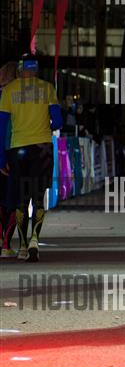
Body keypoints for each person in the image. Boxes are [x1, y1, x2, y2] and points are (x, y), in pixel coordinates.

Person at [0, 54, 63, 262]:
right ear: (36, 69)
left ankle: (22, 247)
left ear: (20, 69)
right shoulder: (47, 88)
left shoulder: (9, 90)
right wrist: (47, 125)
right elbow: (58, 121)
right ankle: (35, 238)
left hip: (18, 148)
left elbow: (2, 126)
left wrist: (1, 158)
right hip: (42, 148)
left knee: (20, 198)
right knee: (38, 196)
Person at [0, 61, 18, 258]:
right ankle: (6, 244)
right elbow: (6, 130)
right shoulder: (13, 98)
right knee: (13, 200)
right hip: (11, 152)